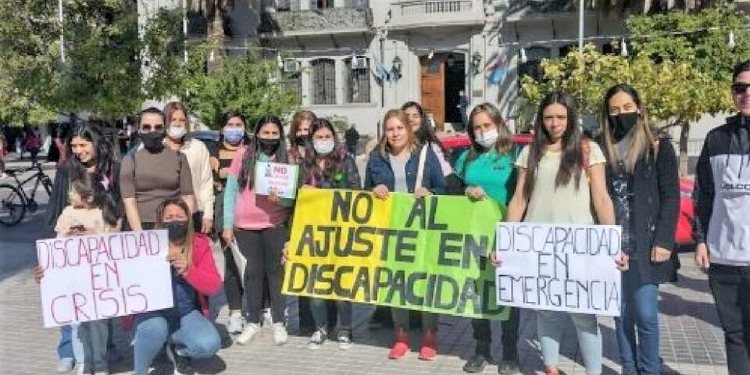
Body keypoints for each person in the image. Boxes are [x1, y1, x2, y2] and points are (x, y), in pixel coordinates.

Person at [502, 92, 624, 375]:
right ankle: (551, 368)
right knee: (546, 313)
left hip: (578, 247)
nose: (554, 123)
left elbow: (602, 199)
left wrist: (611, 244)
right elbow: (519, 199)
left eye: (560, 117)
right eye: (548, 117)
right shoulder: (529, 152)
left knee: (585, 317)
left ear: (570, 119)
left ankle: (594, 371)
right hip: (538, 247)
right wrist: (507, 243)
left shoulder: (588, 149)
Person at [597, 84, 680, 375]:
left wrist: (664, 240)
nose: (621, 114)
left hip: (646, 244)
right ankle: (629, 368)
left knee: (645, 314)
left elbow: (671, 195)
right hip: (612, 244)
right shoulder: (599, 146)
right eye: (614, 110)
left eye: (627, 108)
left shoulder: (658, 145)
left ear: (639, 108)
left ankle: (649, 370)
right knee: (621, 314)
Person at [364, 109, 446, 360]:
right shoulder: (376, 158)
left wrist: (430, 193)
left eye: (399, 128)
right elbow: (365, 191)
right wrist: (373, 190)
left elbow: (443, 188)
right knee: (396, 283)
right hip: (391, 230)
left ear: (408, 130)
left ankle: (429, 336)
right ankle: (401, 336)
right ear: (384, 133)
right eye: (390, 129)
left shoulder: (425, 154)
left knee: (425, 281)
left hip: (422, 231)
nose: (395, 133)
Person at [45, 123, 122, 374]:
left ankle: (103, 351)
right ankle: (69, 351)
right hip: (71, 252)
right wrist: (51, 251)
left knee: (102, 304)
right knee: (73, 305)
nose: (78, 150)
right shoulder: (67, 170)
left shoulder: (112, 168)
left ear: (96, 143)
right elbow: (56, 208)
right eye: (74, 145)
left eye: (83, 145)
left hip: (103, 248)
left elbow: (120, 203)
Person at [694, 61, 750, 375]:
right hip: (724, 259)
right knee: (734, 335)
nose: (746, 94)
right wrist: (701, 239)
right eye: (740, 87)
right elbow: (703, 195)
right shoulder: (716, 138)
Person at [456, 103, 521, 374]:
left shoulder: (515, 155)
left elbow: (523, 195)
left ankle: (509, 354)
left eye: (487, 125)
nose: (483, 131)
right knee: (477, 294)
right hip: (474, 236)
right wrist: (466, 189)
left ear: (499, 124)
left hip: (506, 234)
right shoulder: (465, 158)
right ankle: (481, 350)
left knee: (508, 296)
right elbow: (453, 189)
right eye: (477, 127)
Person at [130, 198, 222, 375]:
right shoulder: (145, 244)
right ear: (160, 221)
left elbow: (214, 286)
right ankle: (140, 370)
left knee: (209, 344)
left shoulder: (199, 245)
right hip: (152, 314)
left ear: (188, 219)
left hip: (185, 313)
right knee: (155, 328)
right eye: (169, 217)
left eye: (179, 216)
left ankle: (176, 349)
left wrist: (189, 271)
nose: (174, 220)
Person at [222, 116, 292, 346]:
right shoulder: (243, 155)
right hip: (245, 227)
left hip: (274, 225)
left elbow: (292, 200)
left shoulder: (287, 158)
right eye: (265, 132)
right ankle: (252, 320)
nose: (269, 137)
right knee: (252, 275)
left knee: (275, 273)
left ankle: (279, 322)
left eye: (274, 133)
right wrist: (227, 224)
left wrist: (279, 200)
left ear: (280, 136)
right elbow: (231, 190)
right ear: (257, 133)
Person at [299, 118, 361, 350]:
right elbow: (295, 201)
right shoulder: (304, 165)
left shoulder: (346, 161)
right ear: (311, 140)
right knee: (315, 286)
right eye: (319, 137)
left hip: (340, 231)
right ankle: (321, 328)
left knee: (341, 284)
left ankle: (345, 329)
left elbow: (356, 191)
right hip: (314, 234)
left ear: (334, 138)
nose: (324, 141)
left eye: (327, 137)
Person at [120, 107, 195, 231]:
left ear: (165, 129)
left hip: (174, 224)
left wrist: (185, 226)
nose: (152, 131)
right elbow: (129, 202)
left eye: (158, 127)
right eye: (147, 127)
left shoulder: (179, 158)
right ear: (139, 130)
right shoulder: (130, 160)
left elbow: (188, 197)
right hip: (141, 226)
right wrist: (141, 235)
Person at [208, 110, 249, 335]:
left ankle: (262, 308)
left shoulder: (252, 149)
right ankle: (235, 312)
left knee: (254, 262)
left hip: (251, 213)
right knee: (231, 264)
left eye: (238, 124)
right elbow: (212, 181)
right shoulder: (214, 152)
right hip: (225, 213)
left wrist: (227, 173)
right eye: (230, 124)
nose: (234, 128)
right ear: (222, 128)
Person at [163, 102, 215, 234]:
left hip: (194, 215)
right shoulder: (155, 148)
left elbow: (206, 183)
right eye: (173, 119)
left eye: (181, 120)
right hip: (163, 218)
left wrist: (208, 215)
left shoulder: (198, 148)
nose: (177, 124)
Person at [402, 101, 461, 193]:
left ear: (422, 120)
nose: (410, 119)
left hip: (443, 187)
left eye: (415, 116)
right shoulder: (398, 143)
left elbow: (444, 175)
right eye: (407, 116)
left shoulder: (429, 144)